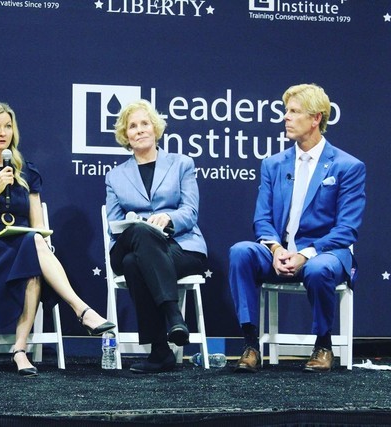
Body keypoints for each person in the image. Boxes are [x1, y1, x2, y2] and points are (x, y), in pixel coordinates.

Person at [0, 101, 114, 377]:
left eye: (8, 126)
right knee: (32, 248)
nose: (3, 132)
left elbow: (38, 225)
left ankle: (20, 349)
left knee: (34, 244)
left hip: (24, 248)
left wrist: (37, 238)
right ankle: (81, 310)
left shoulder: (26, 171)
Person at [229, 83, 366, 373]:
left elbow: (347, 229)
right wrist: (276, 249)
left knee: (318, 269)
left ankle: (323, 346)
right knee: (241, 252)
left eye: (294, 111)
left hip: (324, 253)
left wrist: (305, 254)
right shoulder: (273, 164)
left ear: (316, 118)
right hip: (279, 253)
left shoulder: (348, 166)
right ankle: (250, 345)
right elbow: (262, 219)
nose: (286, 117)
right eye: (286, 111)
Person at [105, 99, 208, 373]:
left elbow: (190, 211)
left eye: (145, 123)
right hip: (129, 242)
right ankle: (174, 316)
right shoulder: (115, 176)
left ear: (155, 128)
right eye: (132, 126)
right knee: (140, 233)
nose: (139, 130)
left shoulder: (182, 164)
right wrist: (137, 225)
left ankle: (160, 352)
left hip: (180, 246)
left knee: (134, 263)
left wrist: (169, 219)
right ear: (125, 135)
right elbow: (113, 224)